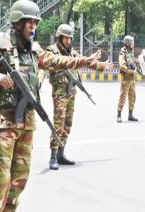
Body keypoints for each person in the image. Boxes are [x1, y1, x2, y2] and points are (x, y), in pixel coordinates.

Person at [0, 1, 110, 212]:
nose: (33, 26)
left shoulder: (35, 50)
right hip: (4, 123)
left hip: (27, 121)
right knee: (0, 178)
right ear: (18, 22)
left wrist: (85, 61)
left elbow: (58, 62)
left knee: (20, 177)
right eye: (30, 22)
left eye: (35, 22)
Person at [46, 24, 105, 170]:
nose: (69, 40)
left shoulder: (72, 52)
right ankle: (53, 156)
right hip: (60, 93)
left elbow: (86, 62)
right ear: (60, 37)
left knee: (67, 124)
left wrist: (103, 65)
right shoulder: (52, 51)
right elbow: (50, 66)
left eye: (70, 37)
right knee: (58, 125)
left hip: (71, 92)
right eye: (66, 37)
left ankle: (61, 153)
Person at [117, 35, 139, 123]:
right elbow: (122, 66)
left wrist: (136, 61)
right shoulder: (123, 52)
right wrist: (131, 71)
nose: (133, 44)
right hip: (126, 78)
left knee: (132, 96)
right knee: (123, 96)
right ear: (128, 44)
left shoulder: (130, 52)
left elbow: (131, 61)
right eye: (132, 43)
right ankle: (119, 115)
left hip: (132, 79)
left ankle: (130, 114)